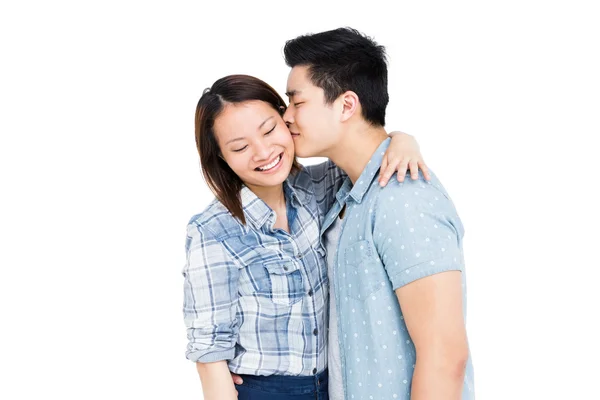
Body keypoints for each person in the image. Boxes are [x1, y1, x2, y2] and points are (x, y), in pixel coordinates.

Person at [183, 74, 430, 400]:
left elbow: (366, 150)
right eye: (240, 147)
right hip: (263, 390)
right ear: (221, 158)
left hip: (334, 385)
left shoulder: (319, 185)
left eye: (269, 130)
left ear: (287, 119)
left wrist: (403, 140)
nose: (263, 151)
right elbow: (210, 354)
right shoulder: (212, 231)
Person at [282, 27, 475, 399]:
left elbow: (445, 356)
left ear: (347, 105)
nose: (287, 117)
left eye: (297, 102)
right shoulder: (347, 190)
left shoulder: (404, 198)